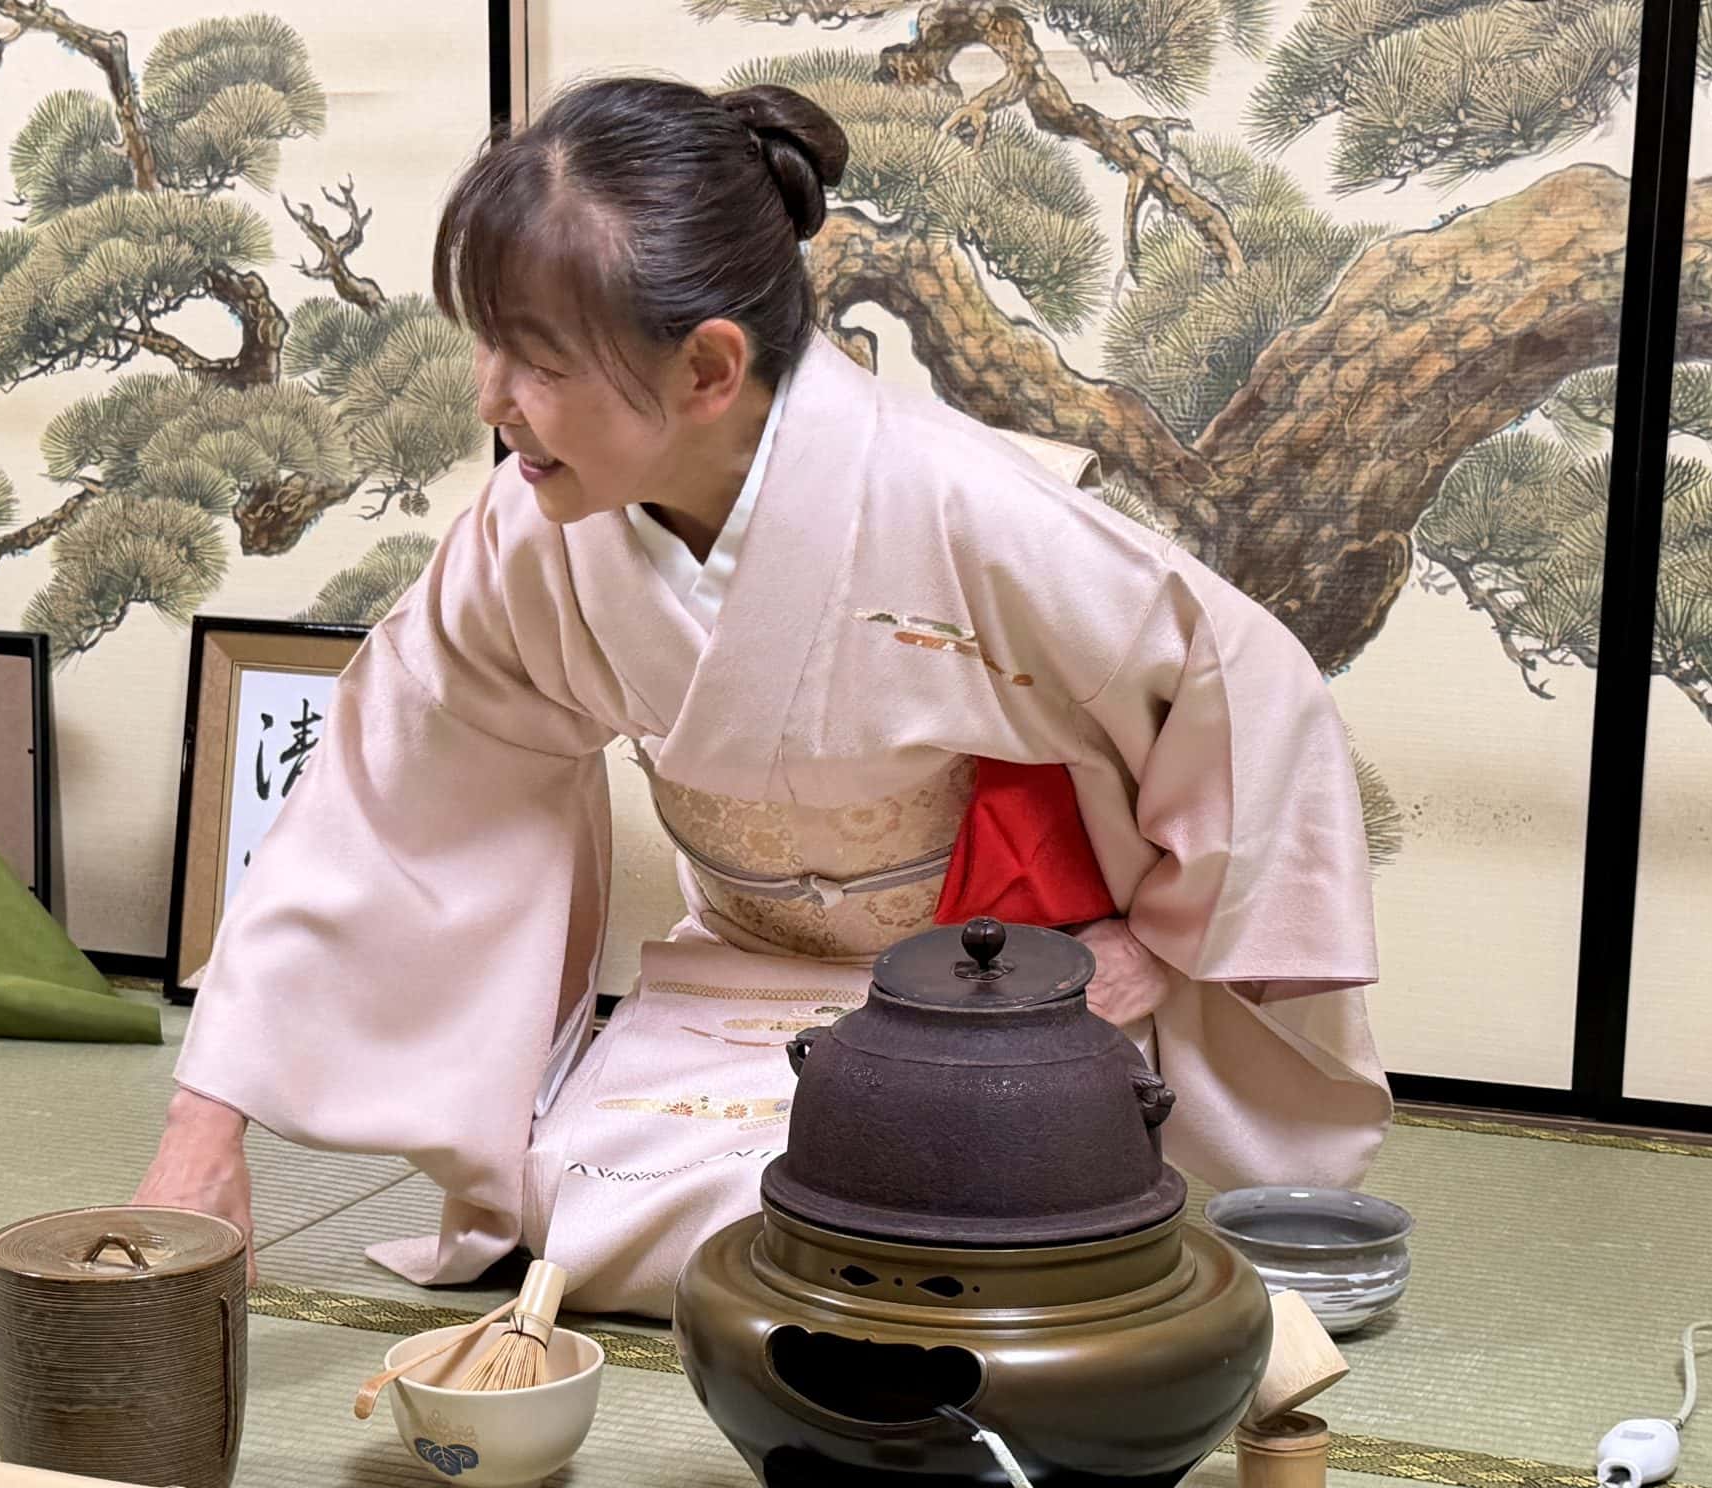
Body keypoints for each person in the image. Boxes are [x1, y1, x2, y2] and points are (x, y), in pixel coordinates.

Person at [134, 77, 1390, 1317]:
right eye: (488, 340)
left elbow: (1246, 690)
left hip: (980, 1006)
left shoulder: (961, 509)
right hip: (746, 975)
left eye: (538, 358)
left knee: (914, 1194)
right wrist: (207, 1126)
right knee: (577, 1208)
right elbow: (383, 805)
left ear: (708, 368)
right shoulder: (532, 538)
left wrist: (1152, 947)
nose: (487, 396)